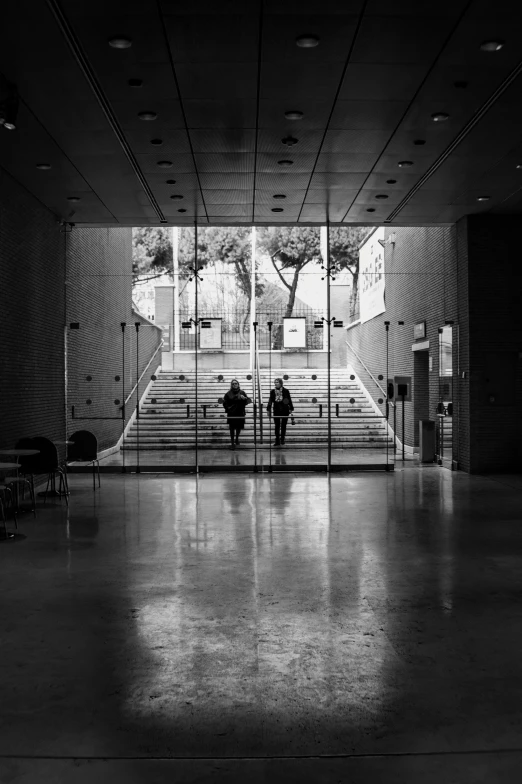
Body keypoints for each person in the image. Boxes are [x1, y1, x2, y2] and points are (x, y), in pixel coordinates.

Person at [222, 379, 251, 449]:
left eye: (236, 383)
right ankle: (232, 443)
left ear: (238, 384)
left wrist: (244, 398)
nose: (234, 385)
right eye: (233, 384)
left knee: (239, 427)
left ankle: (237, 438)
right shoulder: (228, 393)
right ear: (231, 385)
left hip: (240, 412)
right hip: (232, 413)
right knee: (232, 428)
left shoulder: (242, 392)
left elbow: (248, 401)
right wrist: (228, 409)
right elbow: (224, 403)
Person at [267, 378, 294, 447]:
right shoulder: (272, 391)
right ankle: (277, 440)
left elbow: (289, 399)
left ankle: (282, 439)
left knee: (283, 425)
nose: (276, 383)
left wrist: (291, 408)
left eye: (277, 382)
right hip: (276, 410)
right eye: (275, 382)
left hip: (285, 410)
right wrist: (268, 409)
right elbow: (270, 400)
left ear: (281, 383)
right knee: (277, 425)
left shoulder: (285, 391)